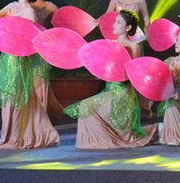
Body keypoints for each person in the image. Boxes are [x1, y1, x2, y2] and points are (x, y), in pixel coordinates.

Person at [65, 10, 158, 149]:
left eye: (119, 22)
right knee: (85, 107)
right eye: (115, 21)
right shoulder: (110, 43)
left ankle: (150, 131)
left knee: (95, 111)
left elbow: (133, 73)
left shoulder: (133, 46)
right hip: (110, 89)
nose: (114, 24)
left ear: (128, 27)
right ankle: (99, 139)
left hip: (123, 92)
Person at [0, 0, 59, 149]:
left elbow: (29, 40)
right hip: (7, 57)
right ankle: (5, 136)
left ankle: (16, 136)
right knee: (7, 96)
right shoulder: (11, 6)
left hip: (20, 60)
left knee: (17, 96)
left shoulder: (29, 13)